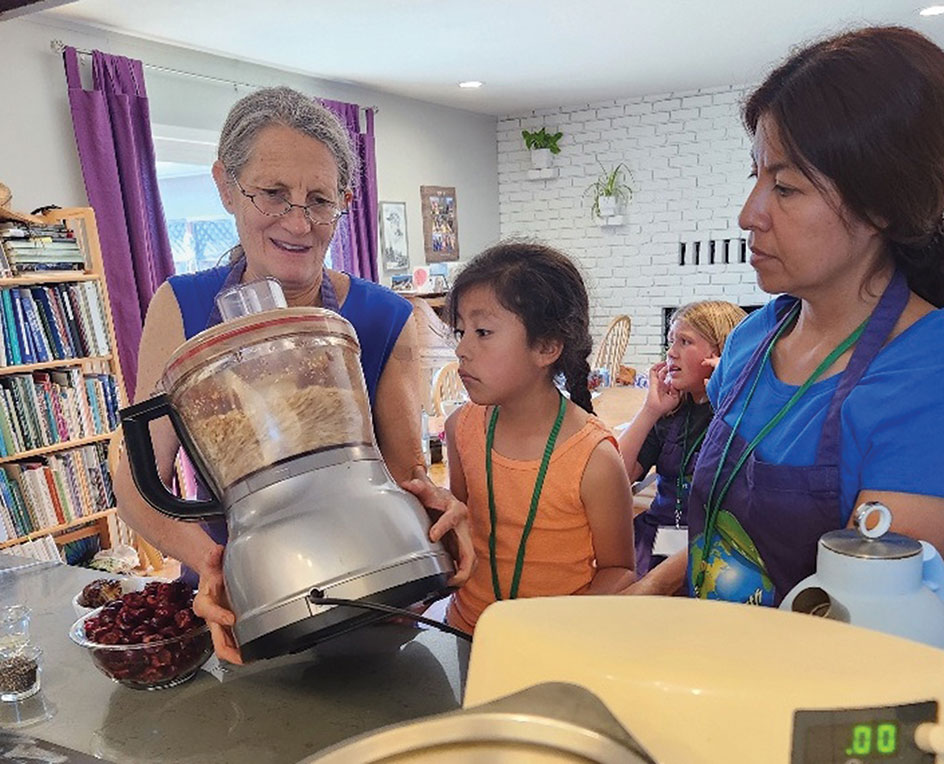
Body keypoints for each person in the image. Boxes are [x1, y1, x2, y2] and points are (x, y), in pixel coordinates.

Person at [628, 26, 944, 605]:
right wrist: (647, 589)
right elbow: (720, 542)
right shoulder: (753, 339)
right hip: (711, 661)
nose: (749, 214)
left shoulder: (941, 378)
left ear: (882, 202)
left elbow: (858, 606)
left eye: (787, 187)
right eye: (757, 177)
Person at [113, 86, 473, 663]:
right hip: (233, 607)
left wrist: (438, 511)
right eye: (274, 194)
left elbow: (406, 474)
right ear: (226, 186)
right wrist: (212, 561)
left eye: (320, 200)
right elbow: (134, 477)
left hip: (371, 603)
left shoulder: (386, 319)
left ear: (343, 203)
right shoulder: (181, 306)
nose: (299, 222)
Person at [442, 241, 635, 633]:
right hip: (466, 633)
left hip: (550, 648)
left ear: (546, 346)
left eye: (482, 332)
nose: (462, 349)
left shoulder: (593, 458)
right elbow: (458, 527)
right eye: (461, 331)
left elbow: (619, 570)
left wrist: (556, 631)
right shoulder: (461, 427)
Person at [617, 301, 746, 576]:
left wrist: (730, 396)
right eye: (670, 341)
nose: (671, 353)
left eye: (685, 342)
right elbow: (616, 479)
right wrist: (649, 411)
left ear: (722, 351)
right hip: (660, 535)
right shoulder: (671, 412)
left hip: (716, 546)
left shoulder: (745, 414)